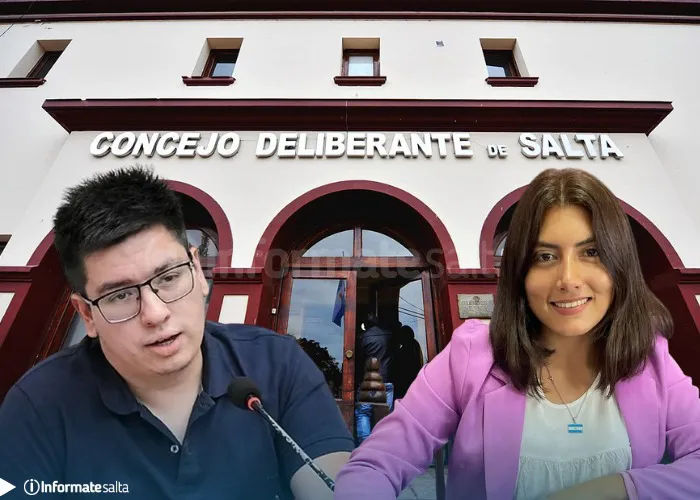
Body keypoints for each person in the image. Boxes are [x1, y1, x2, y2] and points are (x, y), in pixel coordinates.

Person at [334, 168, 700, 500]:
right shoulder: (471, 356)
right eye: (545, 256)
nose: (569, 279)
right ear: (520, 273)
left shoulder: (651, 358)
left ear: (620, 264)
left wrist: (620, 488)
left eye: (592, 252)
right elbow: (377, 464)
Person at [0, 167, 353, 499]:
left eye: (169, 277)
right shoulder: (38, 405)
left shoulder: (277, 364)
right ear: (87, 314)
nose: (155, 314)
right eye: (120, 295)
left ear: (197, 271)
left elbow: (331, 485)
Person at [354, 312, 395, 444]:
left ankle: (365, 446)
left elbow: (358, 360)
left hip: (368, 382)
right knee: (385, 415)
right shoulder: (389, 336)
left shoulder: (363, 338)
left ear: (366, 325)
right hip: (386, 380)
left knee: (363, 413)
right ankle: (383, 446)